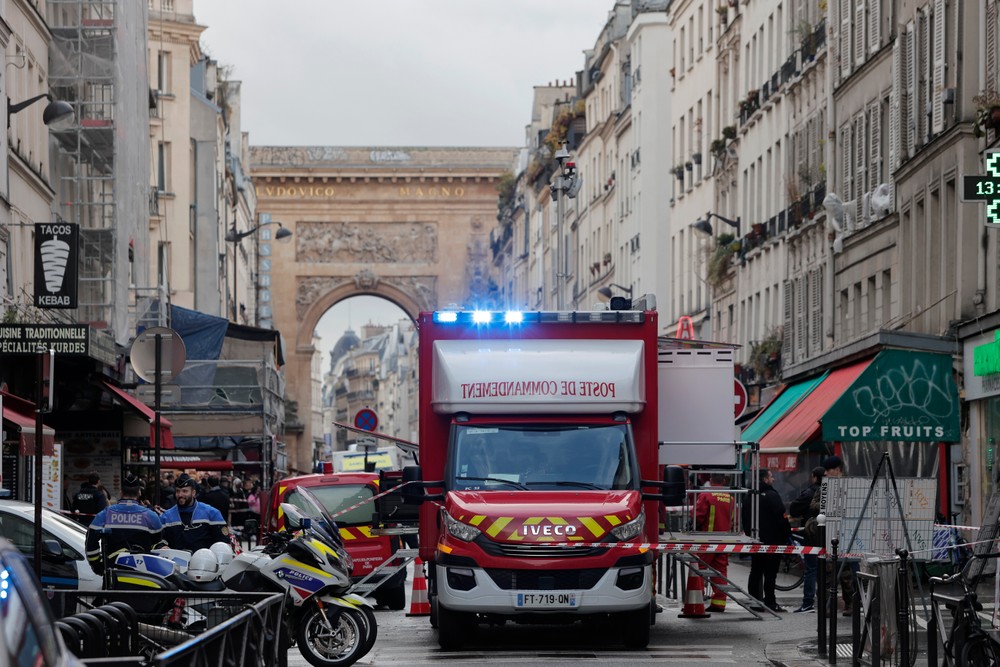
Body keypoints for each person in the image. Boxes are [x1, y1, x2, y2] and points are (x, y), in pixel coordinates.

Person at [85, 472, 164, 575]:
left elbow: (91, 542)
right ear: (139, 492)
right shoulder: (151, 516)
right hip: (143, 576)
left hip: (113, 575)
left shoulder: (105, 514)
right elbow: (157, 544)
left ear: (121, 492)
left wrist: (98, 566)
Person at [811, 454, 856, 615]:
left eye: (829, 471)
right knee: (828, 573)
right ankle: (828, 605)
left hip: (845, 533)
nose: (826, 474)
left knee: (846, 573)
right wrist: (825, 508)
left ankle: (850, 604)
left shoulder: (849, 485)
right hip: (828, 532)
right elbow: (813, 504)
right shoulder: (824, 486)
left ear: (837, 470)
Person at [743, 468, 791, 612]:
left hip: (755, 540)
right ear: (765, 479)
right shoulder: (772, 495)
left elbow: (744, 516)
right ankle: (770, 602)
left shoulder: (749, 496)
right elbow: (781, 517)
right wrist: (786, 534)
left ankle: (754, 601)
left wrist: (749, 534)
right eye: (771, 477)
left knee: (756, 571)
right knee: (770, 573)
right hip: (773, 541)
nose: (773, 479)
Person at [695, 473, 734, 613]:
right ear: (723, 481)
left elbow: (698, 516)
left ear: (710, 480)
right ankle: (719, 603)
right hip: (724, 540)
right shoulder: (730, 497)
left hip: (707, 539)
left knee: (698, 569)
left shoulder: (706, 495)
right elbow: (733, 519)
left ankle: (695, 602)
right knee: (720, 571)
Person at [160, 473, 229, 552]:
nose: (180, 495)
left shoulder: (212, 513)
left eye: (185, 491)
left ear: (193, 493)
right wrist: (162, 546)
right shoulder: (166, 516)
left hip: (205, 562)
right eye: (178, 491)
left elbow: (223, 543)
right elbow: (158, 540)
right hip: (176, 562)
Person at [789, 466, 825, 613]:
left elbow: (794, 509)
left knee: (811, 569)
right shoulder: (834, 492)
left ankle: (808, 603)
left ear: (814, 477)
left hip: (811, 536)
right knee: (828, 570)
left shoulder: (810, 492)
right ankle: (827, 603)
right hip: (830, 537)